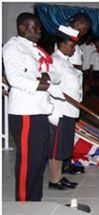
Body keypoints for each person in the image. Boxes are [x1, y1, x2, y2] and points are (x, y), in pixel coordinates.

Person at [3, 12, 61, 202]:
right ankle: (23, 200)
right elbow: (15, 79)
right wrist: (44, 84)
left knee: (39, 157)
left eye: (39, 27)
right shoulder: (13, 48)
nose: (38, 31)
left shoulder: (37, 50)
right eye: (33, 27)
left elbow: (55, 73)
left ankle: (35, 199)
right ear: (21, 28)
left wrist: (47, 78)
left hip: (40, 109)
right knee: (29, 159)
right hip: (25, 111)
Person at [47, 27, 82, 191]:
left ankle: (59, 176)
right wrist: (65, 97)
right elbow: (52, 85)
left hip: (70, 110)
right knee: (57, 147)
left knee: (63, 146)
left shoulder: (65, 61)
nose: (73, 49)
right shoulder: (55, 61)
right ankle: (54, 180)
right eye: (71, 45)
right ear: (62, 44)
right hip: (60, 110)